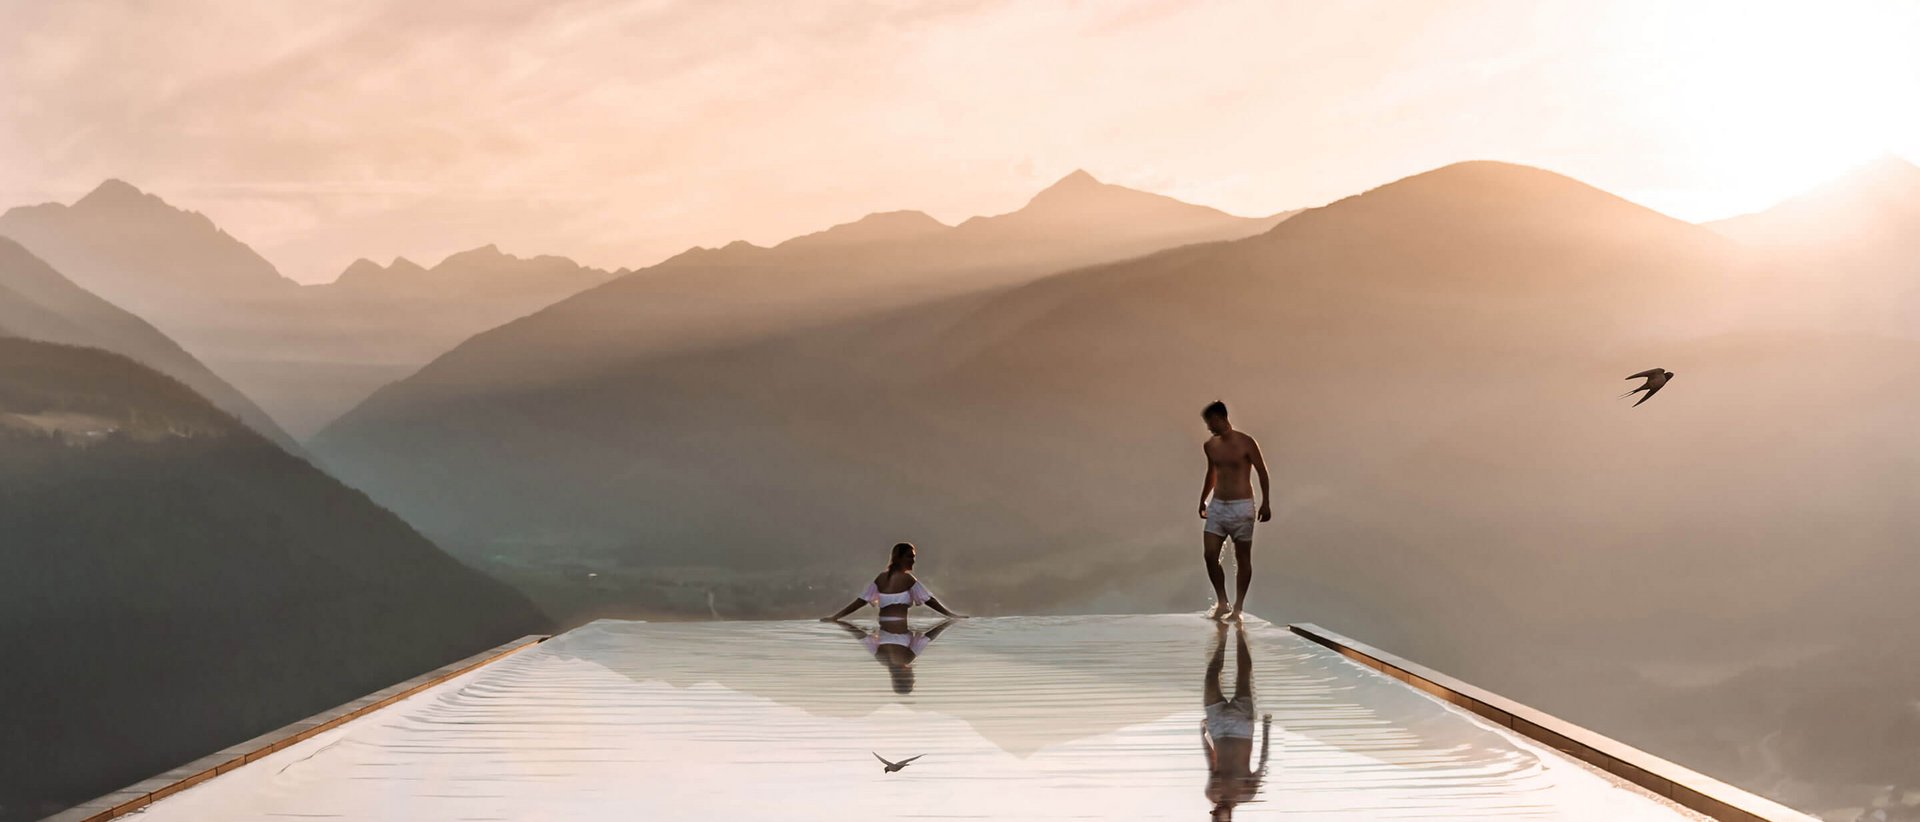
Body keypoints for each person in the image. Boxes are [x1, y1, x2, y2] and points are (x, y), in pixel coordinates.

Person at [1197, 400, 1271, 620]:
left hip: (1242, 506)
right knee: (1210, 555)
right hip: (1218, 505)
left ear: (1220, 418)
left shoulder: (1246, 442)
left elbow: (1262, 471)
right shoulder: (1210, 446)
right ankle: (1222, 602)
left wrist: (1266, 502)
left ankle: (1238, 608)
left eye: (1210, 422)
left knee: (1242, 557)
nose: (1209, 428)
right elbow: (1212, 473)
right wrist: (1203, 500)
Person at [1202, 622, 1275, 820]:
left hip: (1217, 728)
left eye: (1214, 817)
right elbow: (1263, 761)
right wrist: (1267, 728)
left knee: (1210, 676)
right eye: (1220, 819)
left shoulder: (1212, 793)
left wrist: (1203, 735)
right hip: (1242, 727)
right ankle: (1240, 631)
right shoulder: (1246, 794)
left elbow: (1211, 763)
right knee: (1243, 675)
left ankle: (1223, 635)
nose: (1216, 814)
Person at [821, 542, 969, 622]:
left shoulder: (883, 578)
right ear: (898, 558)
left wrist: (836, 617)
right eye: (909, 556)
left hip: (886, 633)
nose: (913, 560)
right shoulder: (905, 579)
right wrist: (951, 616)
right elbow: (929, 600)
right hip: (898, 632)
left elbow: (860, 601)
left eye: (914, 556)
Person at [828, 617, 956, 694]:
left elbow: (929, 636)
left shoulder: (907, 657)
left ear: (905, 675)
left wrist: (948, 623)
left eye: (912, 678)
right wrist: (842, 623)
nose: (913, 674)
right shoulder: (882, 659)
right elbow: (859, 635)